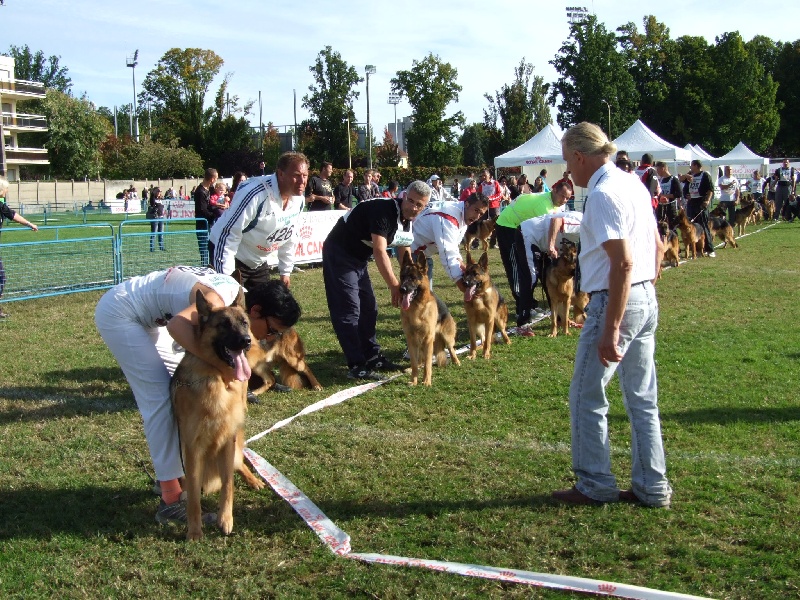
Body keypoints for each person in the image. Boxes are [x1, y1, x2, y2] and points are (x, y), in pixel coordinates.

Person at [94, 266, 301, 524]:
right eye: (271, 330)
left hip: (152, 318)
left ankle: (177, 475)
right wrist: (223, 368)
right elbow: (177, 325)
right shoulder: (216, 300)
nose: (268, 338)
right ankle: (170, 499)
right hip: (121, 313)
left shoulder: (231, 299)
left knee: (182, 391)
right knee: (159, 399)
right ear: (255, 310)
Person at [552, 121, 671, 508]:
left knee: (587, 393)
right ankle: (652, 487)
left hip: (615, 301)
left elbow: (622, 264)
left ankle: (595, 484)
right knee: (642, 399)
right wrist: (644, 291)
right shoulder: (633, 182)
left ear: (579, 156)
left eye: (568, 163)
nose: (568, 173)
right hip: (643, 296)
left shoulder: (602, 194)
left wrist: (612, 325)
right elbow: (657, 246)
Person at [322, 180, 429, 381]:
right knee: (349, 309)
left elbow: (403, 249)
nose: (413, 207)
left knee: (369, 307)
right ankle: (356, 365)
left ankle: (372, 356)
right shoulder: (384, 210)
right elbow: (380, 251)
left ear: (424, 206)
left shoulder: (408, 219)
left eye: (419, 205)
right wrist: (394, 286)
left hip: (359, 258)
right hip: (340, 253)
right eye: (411, 201)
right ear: (404, 196)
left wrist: (409, 279)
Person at [209, 152, 308, 290]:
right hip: (230, 253)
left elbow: (289, 234)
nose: (302, 181)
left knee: (263, 308)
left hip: (258, 261)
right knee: (230, 305)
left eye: (305, 176)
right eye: (296, 175)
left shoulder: (299, 200)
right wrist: (226, 281)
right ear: (281, 174)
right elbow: (228, 234)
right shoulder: (256, 193)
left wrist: (285, 271)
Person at [494, 179, 574, 328]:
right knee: (517, 268)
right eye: (562, 196)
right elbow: (545, 230)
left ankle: (532, 304)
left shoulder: (554, 205)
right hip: (508, 226)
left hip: (524, 229)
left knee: (537, 266)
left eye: (567, 198)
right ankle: (521, 306)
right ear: (554, 190)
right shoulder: (543, 206)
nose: (564, 200)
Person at [410, 192, 489, 290]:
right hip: (411, 251)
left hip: (424, 255)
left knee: (425, 296)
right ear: (467, 204)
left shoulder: (463, 214)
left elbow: (453, 246)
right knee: (422, 296)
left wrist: (460, 263)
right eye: (476, 210)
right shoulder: (448, 216)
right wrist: (463, 286)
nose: (477, 216)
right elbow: (447, 254)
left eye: (481, 214)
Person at [520, 210, 584, 323]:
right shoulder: (583, 225)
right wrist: (551, 244)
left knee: (551, 280)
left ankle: (560, 319)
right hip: (529, 235)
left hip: (545, 243)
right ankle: (523, 321)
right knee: (531, 278)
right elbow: (556, 220)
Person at [0, 176, 39, 318]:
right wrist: (30, 224)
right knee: (1, 278)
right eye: (6, 189)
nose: (6, 191)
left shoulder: (1, 205)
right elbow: (13, 215)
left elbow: (12, 214)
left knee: (1, 278)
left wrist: (29, 224)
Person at [680, 160, 716, 257]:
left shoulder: (705, 175)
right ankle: (695, 249)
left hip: (701, 201)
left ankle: (710, 249)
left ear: (696, 165)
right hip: (692, 202)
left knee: (703, 225)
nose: (690, 167)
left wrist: (707, 200)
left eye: (691, 165)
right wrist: (687, 176)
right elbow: (680, 179)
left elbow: (710, 189)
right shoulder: (690, 175)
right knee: (692, 225)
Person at [194, 168, 218, 265]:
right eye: (216, 178)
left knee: (212, 248)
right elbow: (202, 210)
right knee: (204, 249)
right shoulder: (200, 192)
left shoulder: (210, 190)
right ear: (212, 179)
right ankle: (205, 267)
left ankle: (211, 266)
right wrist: (215, 215)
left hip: (211, 224)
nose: (216, 180)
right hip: (202, 224)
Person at [478, 169, 503, 248]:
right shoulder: (482, 185)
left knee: (495, 224)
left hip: (494, 206)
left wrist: (491, 198)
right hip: (484, 207)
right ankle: (478, 243)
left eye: (485, 175)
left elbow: (499, 194)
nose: (484, 177)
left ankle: (493, 243)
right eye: (483, 176)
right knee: (480, 223)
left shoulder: (495, 183)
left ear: (489, 175)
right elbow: (478, 195)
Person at [654, 161, 682, 229]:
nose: (657, 172)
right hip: (661, 207)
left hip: (671, 206)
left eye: (658, 169)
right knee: (660, 226)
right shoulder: (660, 180)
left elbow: (679, 193)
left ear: (663, 168)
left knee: (672, 226)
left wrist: (666, 196)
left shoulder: (674, 179)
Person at [146, 188, 166, 252]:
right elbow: (152, 203)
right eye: (159, 192)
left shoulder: (160, 199)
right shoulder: (153, 199)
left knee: (161, 233)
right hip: (155, 218)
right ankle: (152, 248)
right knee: (154, 233)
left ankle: (161, 247)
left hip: (161, 217)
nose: (160, 193)